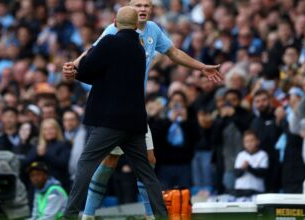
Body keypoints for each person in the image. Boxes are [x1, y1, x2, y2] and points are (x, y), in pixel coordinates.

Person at [62, 0, 222, 218]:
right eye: (138, 5)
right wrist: (74, 64)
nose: (143, 9)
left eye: (147, 5)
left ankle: (149, 215)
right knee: (113, 161)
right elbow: (92, 51)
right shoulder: (114, 32)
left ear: (151, 10)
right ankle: (89, 214)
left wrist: (201, 66)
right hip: (122, 110)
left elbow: (173, 52)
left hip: (130, 110)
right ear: (131, 11)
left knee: (148, 162)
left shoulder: (153, 31)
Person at [62, 6, 168, 219]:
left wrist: (74, 72)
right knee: (147, 173)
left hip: (110, 122)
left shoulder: (110, 41)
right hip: (135, 123)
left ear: (114, 22)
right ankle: (161, 216)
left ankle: (71, 214)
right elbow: (107, 74)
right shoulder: (140, 48)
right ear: (136, 24)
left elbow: (89, 68)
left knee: (85, 164)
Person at [234, 130, 269, 197]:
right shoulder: (241, 155)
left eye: (252, 140)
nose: (249, 143)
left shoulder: (263, 154)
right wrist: (243, 168)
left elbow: (262, 173)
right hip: (241, 190)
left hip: (257, 191)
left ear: (257, 141)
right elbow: (236, 174)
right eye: (246, 141)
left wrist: (249, 168)